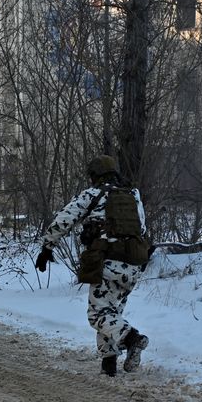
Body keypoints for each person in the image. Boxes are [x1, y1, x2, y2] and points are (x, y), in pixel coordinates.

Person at [35, 155, 151, 377]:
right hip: (134, 263)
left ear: (95, 175)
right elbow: (142, 228)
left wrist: (47, 247)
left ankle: (132, 338)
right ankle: (108, 364)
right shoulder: (133, 194)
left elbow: (63, 220)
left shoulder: (93, 194)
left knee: (97, 315)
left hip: (107, 262)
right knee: (110, 311)